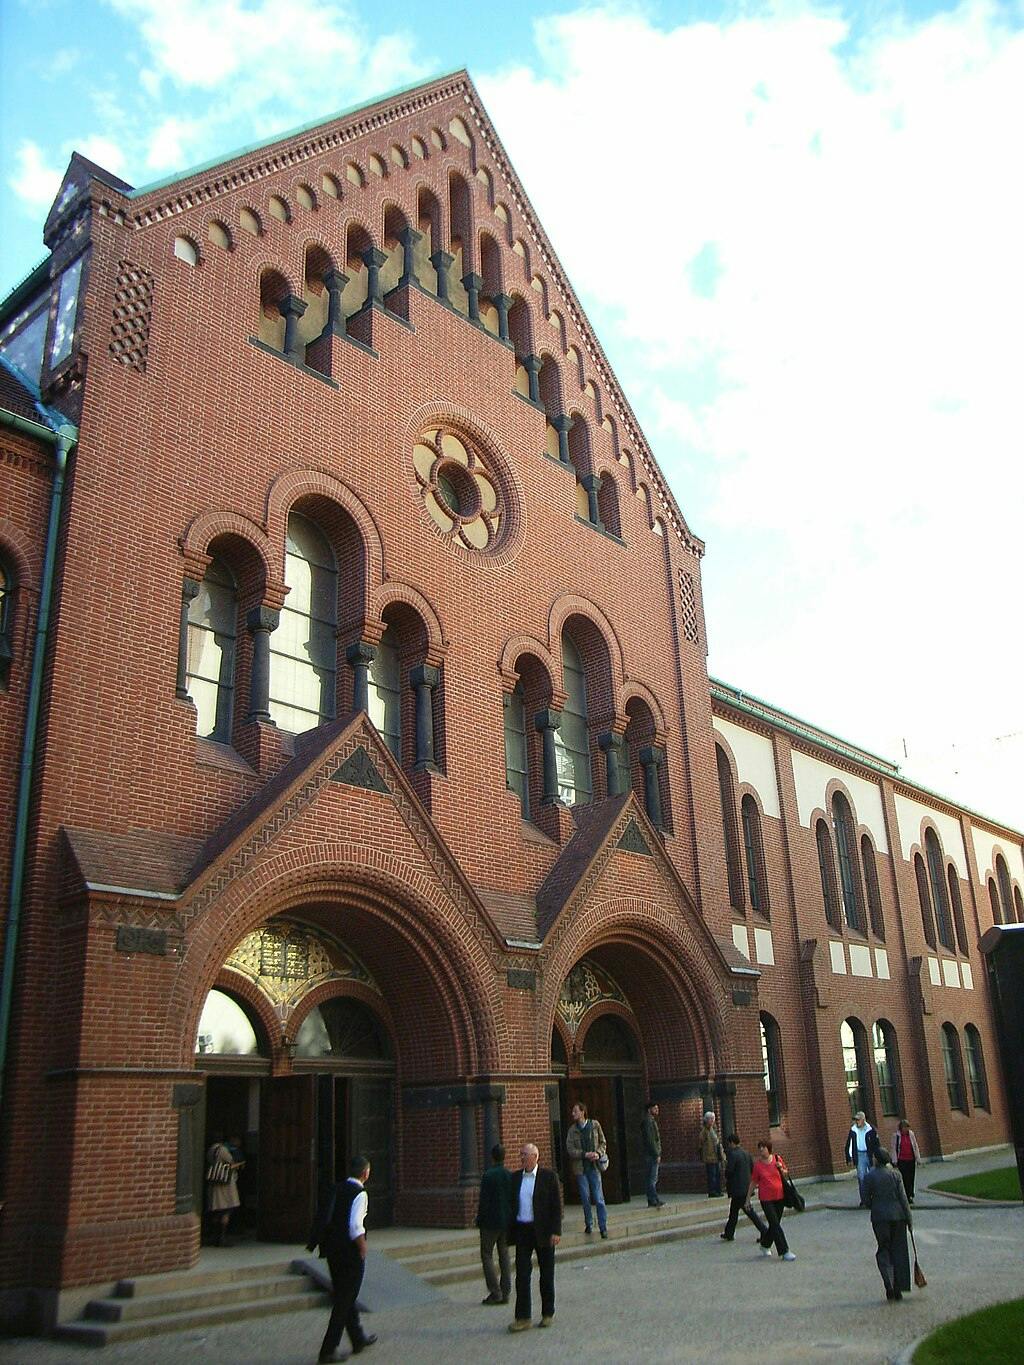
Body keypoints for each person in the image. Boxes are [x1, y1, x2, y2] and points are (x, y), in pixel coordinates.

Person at [306, 1154, 378, 1363]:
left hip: (332, 1251)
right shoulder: (360, 1193)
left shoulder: (337, 1188)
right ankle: (328, 1349)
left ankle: (357, 1338)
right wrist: (363, 1248)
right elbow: (356, 1226)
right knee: (344, 1299)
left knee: (345, 1295)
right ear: (365, 1173)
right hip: (349, 1252)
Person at [508, 1142, 562, 1332]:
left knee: (546, 1273)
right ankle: (523, 1316)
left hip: (544, 1230)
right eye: (521, 1154)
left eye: (525, 1154)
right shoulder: (515, 1178)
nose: (522, 1157)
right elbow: (510, 1204)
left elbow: (556, 1206)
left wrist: (556, 1231)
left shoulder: (548, 1177)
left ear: (535, 1157)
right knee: (522, 1275)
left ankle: (548, 1313)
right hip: (523, 1230)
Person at [864, 1149, 913, 1302]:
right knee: (898, 1251)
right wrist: (909, 1219)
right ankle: (899, 1286)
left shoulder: (869, 1176)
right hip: (898, 1217)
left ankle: (889, 1284)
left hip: (880, 1218)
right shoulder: (895, 1175)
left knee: (884, 1250)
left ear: (876, 1160)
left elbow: (866, 1199)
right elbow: (903, 1198)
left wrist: (875, 1205)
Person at [476, 1143, 515, 1305]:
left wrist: (479, 1219)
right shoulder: (509, 1175)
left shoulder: (488, 1175)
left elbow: (484, 1201)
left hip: (490, 1222)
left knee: (486, 1254)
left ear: (492, 1157)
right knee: (504, 1254)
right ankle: (506, 1291)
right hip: (506, 1221)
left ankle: (495, 1291)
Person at [747, 1139, 796, 1261]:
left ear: (769, 1148)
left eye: (763, 1147)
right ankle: (784, 1251)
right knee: (774, 1223)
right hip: (766, 1198)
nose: (761, 1150)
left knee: (775, 1224)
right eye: (760, 1148)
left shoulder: (777, 1159)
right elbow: (753, 1182)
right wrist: (747, 1199)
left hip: (779, 1196)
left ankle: (765, 1244)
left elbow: (785, 1173)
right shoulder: (758, 1165)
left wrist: (781, 1169)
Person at [565, 1101, 608, 1237]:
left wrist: (598, 1153)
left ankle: (603, 1226)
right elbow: (570, 1149)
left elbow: (603, 1142)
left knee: (598, 1197)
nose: (573, 1114)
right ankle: (589, 1223)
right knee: (585, 1197)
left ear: (583, 1112)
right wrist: (584, 1154)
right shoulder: (572, 1130)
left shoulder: (594, 1125)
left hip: (594, 1167)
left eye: (575, 1111)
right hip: (581, 1168)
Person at [721, 1134, 768, 1243]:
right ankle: (729, 1232)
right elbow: (752, 1169)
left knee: (748, 1211)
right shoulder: (746, 1153)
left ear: (732, 1142)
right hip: (746, 1187)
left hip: (737, 1188)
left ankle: (764, 1230)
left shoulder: (733, 1155)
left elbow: (729, 1171)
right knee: (734, 1211)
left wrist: (726, 1172)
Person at [205, 1133, 243, 1246]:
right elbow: (231, 1162)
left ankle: (215, 1236)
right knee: (226, 1209)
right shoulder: (222, 1150)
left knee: (216, 1210)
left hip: (214, 1182)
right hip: (225, 1183)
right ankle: (222, 1238)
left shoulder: (211, 1150)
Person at [844, 1111, 882, 1207]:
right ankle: (864, 1199)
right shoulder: (853, 1130)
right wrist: (849, 1157)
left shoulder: (871, 1130)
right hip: (859, 1154)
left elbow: (877, 1144)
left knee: (873, 1176)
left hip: (870, 1155)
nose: (856, 1122)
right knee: (862, 1178)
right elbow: (849, 1144)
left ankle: (876, 1198)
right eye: (855, 1120)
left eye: (858, 1120)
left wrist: (878, 1156)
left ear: (863, 1120)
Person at [890, 1120, 921, 1204]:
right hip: (902, 1160)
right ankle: (907, 1196)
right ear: (901, 1128)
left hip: (911, 1159)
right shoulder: (896, 1136)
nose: (906, 1129)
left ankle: (911, 1194)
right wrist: (895, 1160)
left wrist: (918, 1158)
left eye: (907, 1127)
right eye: (904, 1127)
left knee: (911, 1178)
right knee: (905, 1178)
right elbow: (893, 1148)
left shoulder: (911, 1134)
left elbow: (915, 1146)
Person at [641, 1101, 664, 1207]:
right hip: (651, 1154)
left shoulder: (650, 1121)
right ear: (649, 1110)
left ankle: (652, 1198)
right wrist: (656, 1154)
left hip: (650, 1154)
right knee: (652, 1178)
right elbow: (651, 1140)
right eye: (655, 1108)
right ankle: (653, 1198)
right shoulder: (648, 1122)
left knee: (651, 1177)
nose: (657, 1110)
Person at [698, 1111, 725, 1197]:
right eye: (710, 1119)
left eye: (713, 1119)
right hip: (709, 1156)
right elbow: (701, 1144)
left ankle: (718, 1190)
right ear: (706, 1120)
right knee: (712, 1175)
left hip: (716, 1155)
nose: (712, 1121)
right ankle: (712, 1191)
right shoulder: (704, 1132)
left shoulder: (714, 1129)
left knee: (717, 1174)